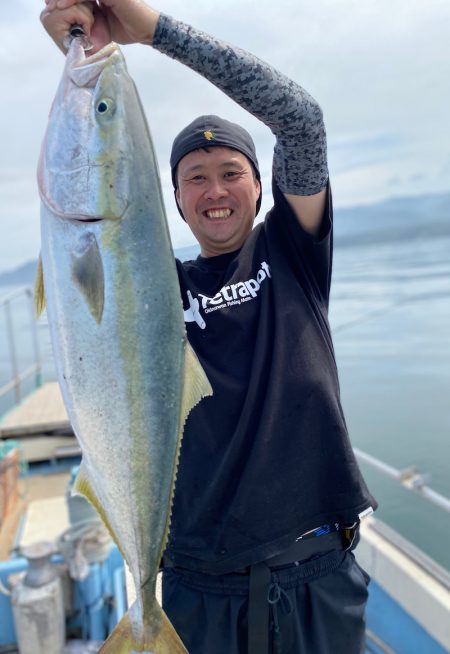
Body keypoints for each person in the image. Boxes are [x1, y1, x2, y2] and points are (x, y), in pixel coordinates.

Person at [41, 2, 377, 652]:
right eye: (195, 178)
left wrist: (155, 32)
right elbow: (100, 236)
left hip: (318, 576)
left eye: (232, 173)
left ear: (261, 186)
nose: (215, 189)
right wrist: (80, 66)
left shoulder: (294, 252)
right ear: (174, 198)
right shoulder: (154, 291)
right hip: (199, 589)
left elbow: (303, 122)